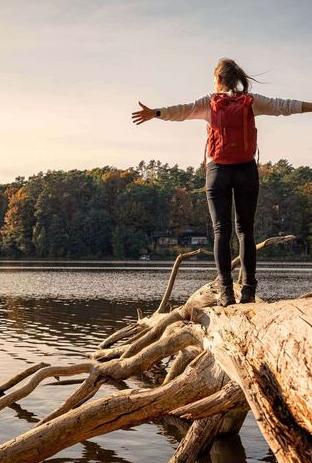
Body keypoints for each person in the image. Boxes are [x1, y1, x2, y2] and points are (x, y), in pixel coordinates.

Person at [131, 58, 311, 306]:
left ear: (218, 79)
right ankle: (248, 290)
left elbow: (181, 111)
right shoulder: (250, 101)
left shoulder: (210, 102)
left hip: (218, 171)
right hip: (246, 169)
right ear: (236, 79)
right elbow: (284, 106)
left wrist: (155, 113)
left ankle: (226, 292)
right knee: (245, 231)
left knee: (221, 232)